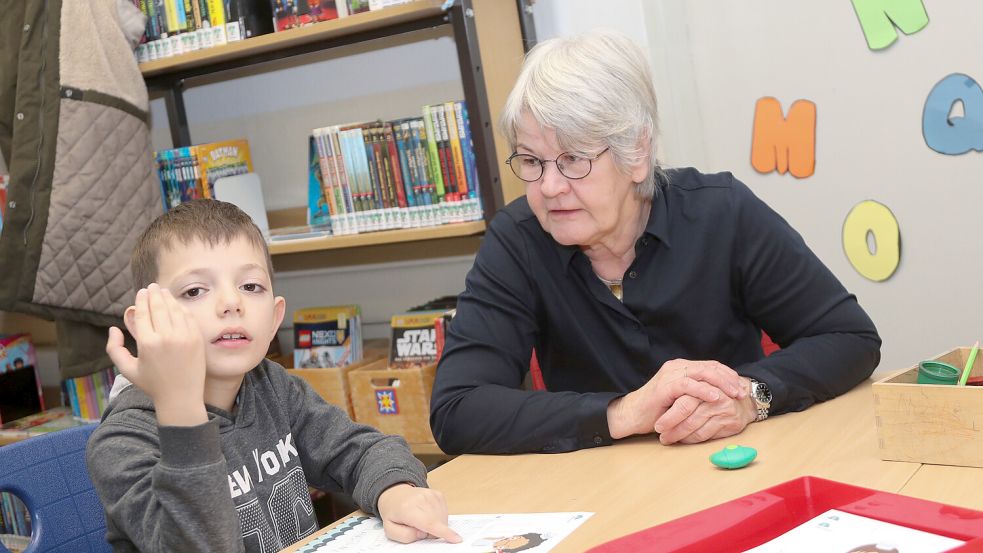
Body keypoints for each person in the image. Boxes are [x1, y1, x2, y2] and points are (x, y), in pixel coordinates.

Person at [430, 30, 881, 455]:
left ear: (638, 153)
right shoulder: (519, 240)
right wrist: (622, 413)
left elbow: (850, 337)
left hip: (738, 463)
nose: (549, 187)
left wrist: (750, 396)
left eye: (573, 159)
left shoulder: (720, 213)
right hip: (602, 488)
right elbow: (456, 410)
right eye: (531, 161)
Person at [87, 200, 461, 552]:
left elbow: (359, 449)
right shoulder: (123, 441)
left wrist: (395, 490)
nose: (231, 303)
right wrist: (180, 406)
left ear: (274, 319)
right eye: (195, 290)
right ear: (146, 323)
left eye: (250, 287)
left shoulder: (273, 387)